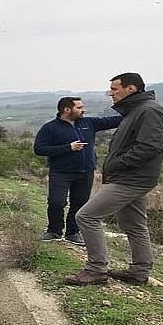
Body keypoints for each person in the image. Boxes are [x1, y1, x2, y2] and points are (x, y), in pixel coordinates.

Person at [65, 73, 163, 286]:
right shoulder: (136, 111)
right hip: (131, 177)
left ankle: (96, 270)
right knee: (134, 223)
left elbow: (150, 147)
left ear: (131, 89)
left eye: (114, 89)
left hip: (131, 178)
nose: (110, 93)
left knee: (86, 216)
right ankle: (139, 272)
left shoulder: (149, 111)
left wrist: (119, 163)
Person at [33, 97, 122, 246]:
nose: (83, 110)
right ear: (67, 110)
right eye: (79, 107)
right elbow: (39, 149)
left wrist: (133, 110)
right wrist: (68, 147)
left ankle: (73, 233)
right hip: (61, 172)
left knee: (79, 203)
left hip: (86, 172)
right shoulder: (50, 128)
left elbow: (114, 120)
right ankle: (54, 231)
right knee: (56, 202)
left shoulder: (89, 123)